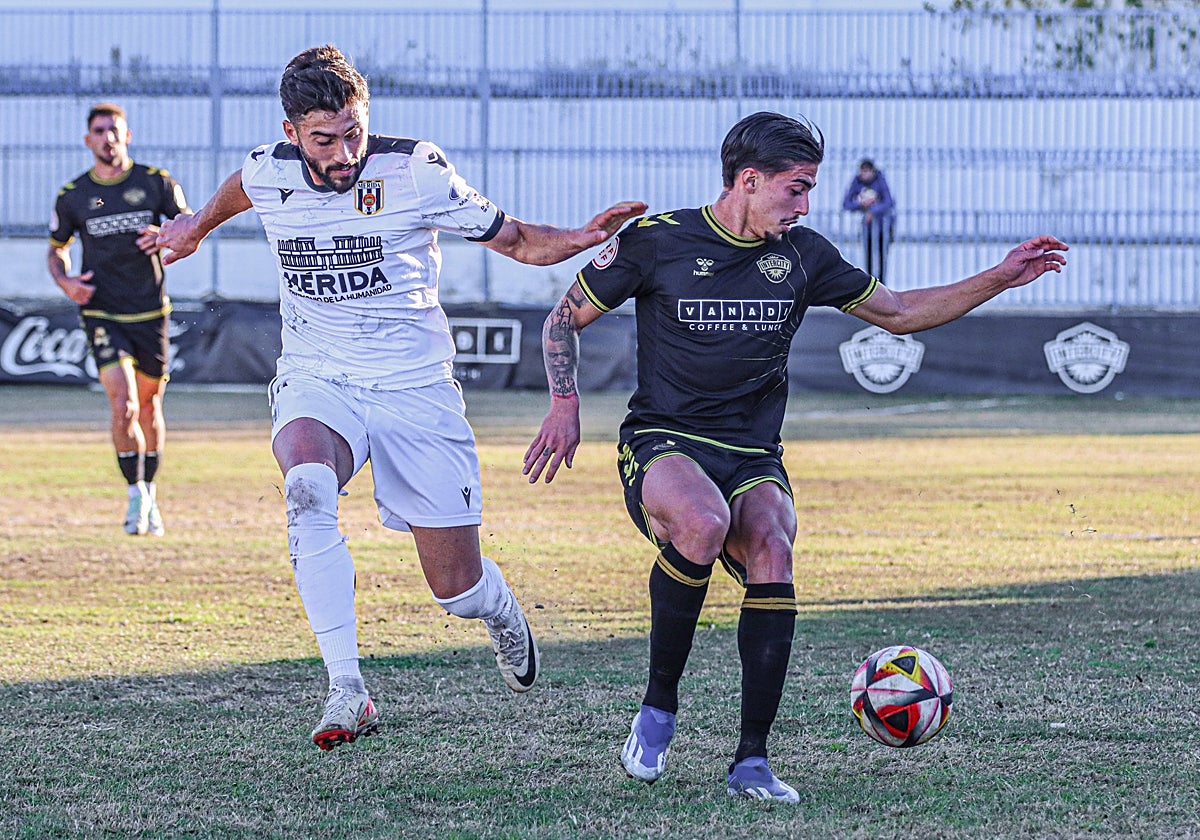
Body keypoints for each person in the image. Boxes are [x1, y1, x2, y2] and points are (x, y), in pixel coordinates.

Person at [523, 111, 1066, 801]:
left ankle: (752, 761)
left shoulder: (804, 254)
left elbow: (899, 312)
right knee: (702, 521)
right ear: (749, 181)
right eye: (796, 188)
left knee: (774, 547)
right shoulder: (657, 242)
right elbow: (562, 315)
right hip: (665, 440)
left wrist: (998, 277)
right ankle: (659, 710)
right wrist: (565, 404)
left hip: (751, 450)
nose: (806, 204)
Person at [155, 45, 645, 751]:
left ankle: (497, 607)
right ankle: (347, 689)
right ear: (292, 132)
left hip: (416, 389)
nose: (345, 150)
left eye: (354, 131)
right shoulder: (269, 170)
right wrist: (193, 228)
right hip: (319, 374)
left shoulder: (415, 169)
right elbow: (238, 186)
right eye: (326, 138)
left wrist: (579, 238)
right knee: (306, 489)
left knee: (455, 590)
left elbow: (515, 240)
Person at [48, 102, 192, 538]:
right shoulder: (72, 195)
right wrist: (67, 283)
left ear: (127, 135)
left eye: (114, 130)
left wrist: (166, 234)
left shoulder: (155, 183)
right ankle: (135, 498)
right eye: (99, 130)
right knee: (124, 404)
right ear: (87, 139)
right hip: (101, 312)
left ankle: (150, 490)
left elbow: (188, 223)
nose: (107, 137)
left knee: (149, 406)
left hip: (150, 311)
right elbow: (56, 249)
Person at [842, 158, 895, 281]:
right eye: (862, 171)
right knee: (868, 256)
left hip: (883, 226)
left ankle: (882, 283)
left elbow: (888, 202)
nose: (864, 174)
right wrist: (862, 205)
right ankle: (871, 284)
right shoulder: (857, 181)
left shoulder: (880, 180)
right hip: (867, 228)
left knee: (882, 256)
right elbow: (846, 203)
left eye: (867, 171)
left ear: (872, 171)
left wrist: (872, 210)